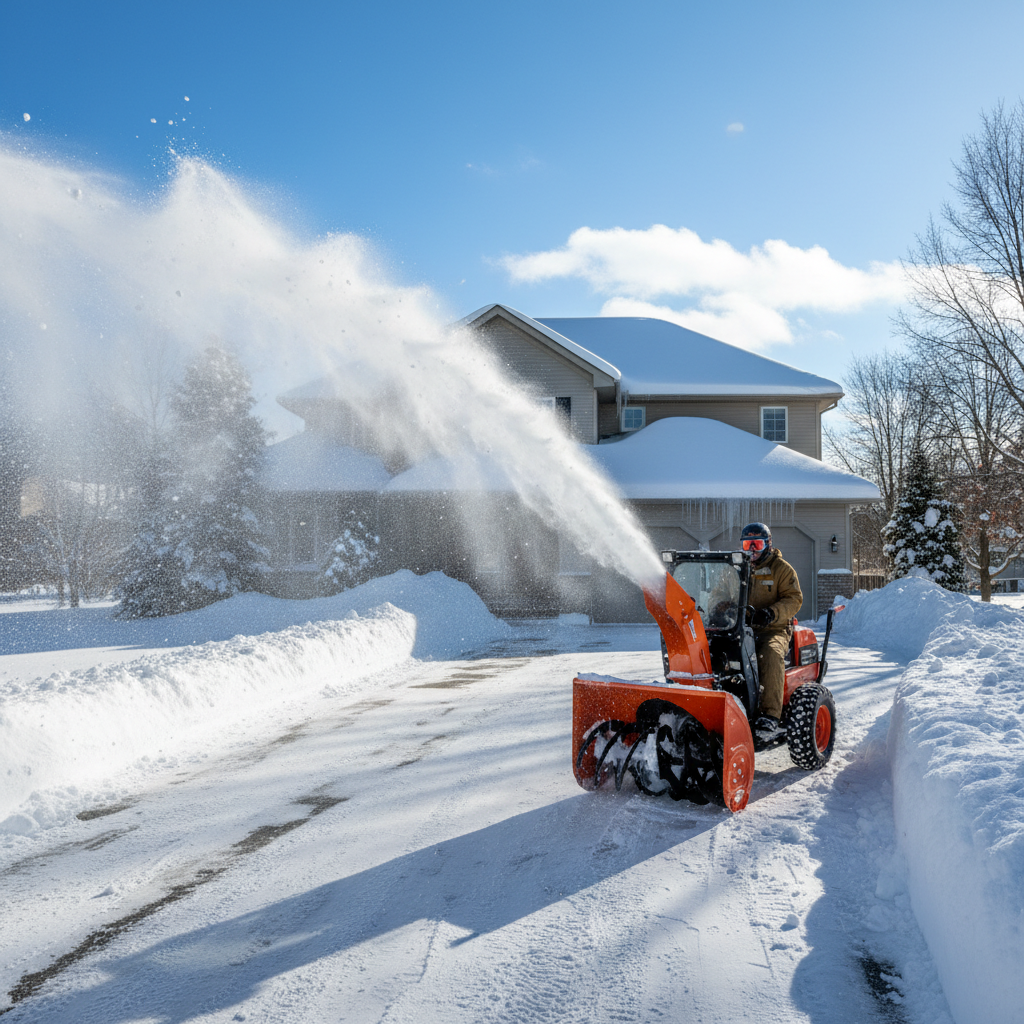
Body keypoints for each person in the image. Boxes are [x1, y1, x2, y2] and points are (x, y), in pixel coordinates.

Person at [740, 523, 803, 745]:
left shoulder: (782, 569)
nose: (752, 550)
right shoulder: (737, 567)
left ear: (768, 544)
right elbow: (721, 593)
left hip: (773, 628)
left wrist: (771, 613)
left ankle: (769, 715)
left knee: (769, 653)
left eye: (757, 544)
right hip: (740, 627)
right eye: (748, 544)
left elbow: (794, 599)